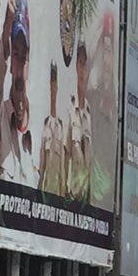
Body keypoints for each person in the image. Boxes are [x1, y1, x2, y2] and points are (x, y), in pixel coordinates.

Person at [0, 0, 34, 185]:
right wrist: (7, 25)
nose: (19, 69)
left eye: (24, 56)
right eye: (16, 54)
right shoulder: (0, 115)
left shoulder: (38, 131)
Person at [66, 41, 93, 202]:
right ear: (75, 67)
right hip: (70, 196)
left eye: (85, 64)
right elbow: (65, 153)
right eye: (79, 63)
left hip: (85, 199)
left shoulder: (89, 115)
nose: (82, 69)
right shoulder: (69, 108)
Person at [39, 61, 67, 197]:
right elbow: (41, 166)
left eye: (55, 83)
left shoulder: (61, 127)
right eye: (51, 83)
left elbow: (63, 168)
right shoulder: (45, 126)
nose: (53, 88)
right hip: (46, 191)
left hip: (58, 193)